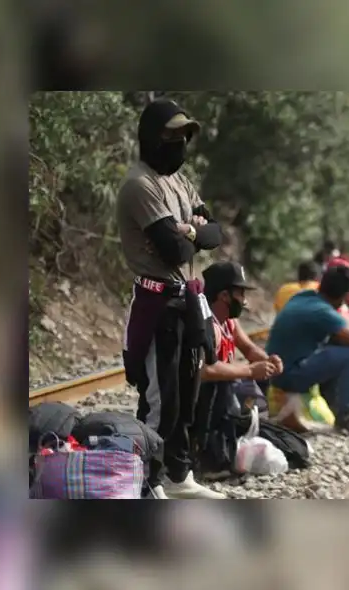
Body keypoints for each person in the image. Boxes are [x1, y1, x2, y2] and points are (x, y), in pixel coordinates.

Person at [117, 98, 226, 500]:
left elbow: (214, 234)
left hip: (187, 300)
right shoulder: (139, 185)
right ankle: (147, 481)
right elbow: (172, 251)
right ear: (151, 138)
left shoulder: (180, 182)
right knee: (160, 399)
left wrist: (193, 232)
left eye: (185, 136)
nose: (180, 144)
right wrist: (191, 236)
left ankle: (178, 476)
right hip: (157, 303)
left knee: (188, 395)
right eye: (172, 136)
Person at [265, 265, 349, 435]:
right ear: (346, 296)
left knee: (343, 345)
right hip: (289, 376)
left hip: (278, 370)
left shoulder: (303, 298)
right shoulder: (323, 312)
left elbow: (344, 327)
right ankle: (347, 415)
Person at [200, 261, 283, 408]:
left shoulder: (229, 322)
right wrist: (250, 370)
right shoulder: (209, 327)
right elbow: (206, 370)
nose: (244, 301)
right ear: (224, 295)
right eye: (241, 294)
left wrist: (268, 361)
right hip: (205, 402)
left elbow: (248, 349)